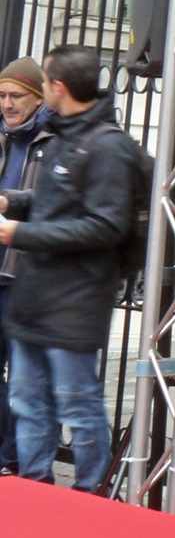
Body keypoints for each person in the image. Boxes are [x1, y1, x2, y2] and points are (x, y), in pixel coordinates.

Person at [0, 46, 140, 492]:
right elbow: (56, 202)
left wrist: (17, 233)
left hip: (75, 304)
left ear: (57, 88)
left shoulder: (110, 148)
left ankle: (88, 495)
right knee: (28, 401)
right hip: (35, 300)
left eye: (43, 84)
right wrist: (13, 201)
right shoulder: (65, 136)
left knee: (78, 407)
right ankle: (35, 488)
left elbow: (104, 226)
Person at [0, 58, 54, 475]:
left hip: (28, 275)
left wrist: (12, 205)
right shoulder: (2, 138)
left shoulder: (55, 140)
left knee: (27, 382)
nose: (6, 104)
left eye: (15, 95)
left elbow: (58, 203)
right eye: (1, 96)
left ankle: (26, 466)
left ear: (38, 96)